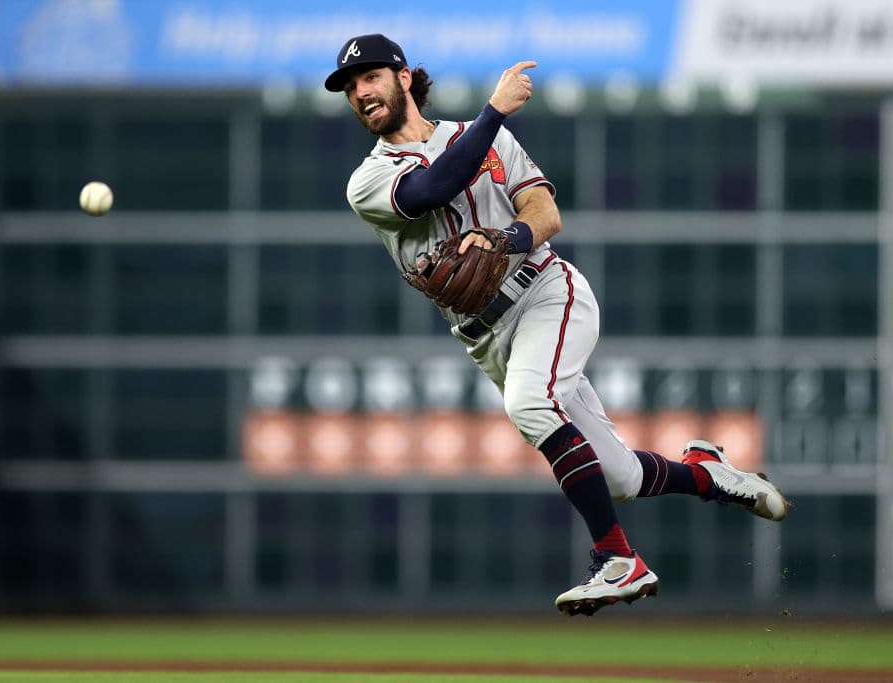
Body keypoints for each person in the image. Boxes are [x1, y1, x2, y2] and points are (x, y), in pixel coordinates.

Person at [325, 34, 788, 616]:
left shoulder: (490, 138)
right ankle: (708, 474)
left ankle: (617, 559)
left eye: (370, 77)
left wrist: (505, 237)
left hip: (546, 292)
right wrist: (494, 112)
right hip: (486, 337)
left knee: (530, 404)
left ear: (402, 76)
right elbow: (434, 187)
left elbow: (545, 214)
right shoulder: (367, 180)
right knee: (618, 478)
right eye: (349, 87)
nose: (360, 92)